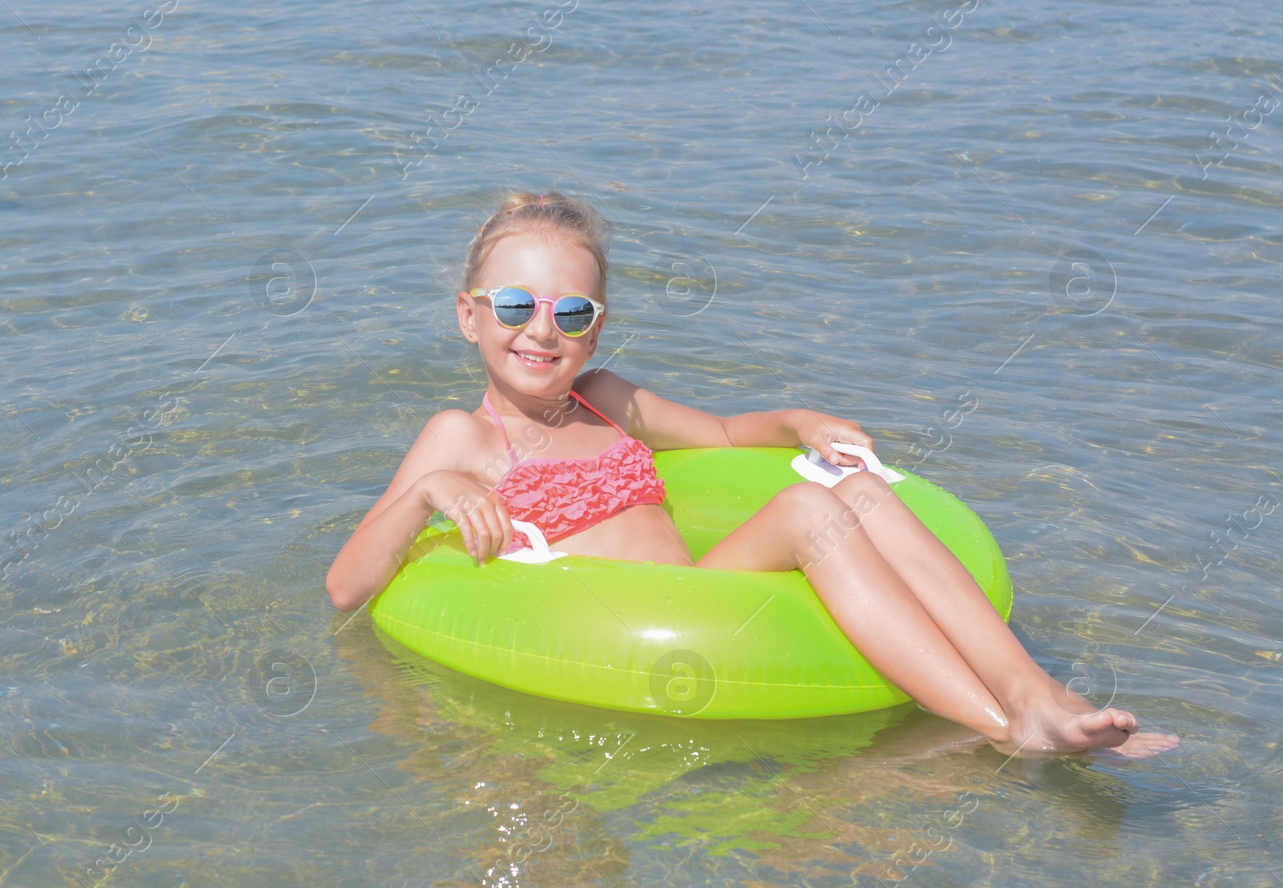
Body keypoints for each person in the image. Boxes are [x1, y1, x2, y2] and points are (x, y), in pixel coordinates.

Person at [326, 192, 1177, 759]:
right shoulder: (461, 436)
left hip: (706, 593)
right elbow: (345, 585)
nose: (540, 332)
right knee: (811, 513)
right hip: (620, 627)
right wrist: (428, 493)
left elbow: (727, 435)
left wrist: (799, 420)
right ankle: (1003, 727)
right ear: (470, 314)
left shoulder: (606, 401)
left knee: (862, 493)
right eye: (515, 306)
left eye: (570, 313)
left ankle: (1035, 688)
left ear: (595, 330)